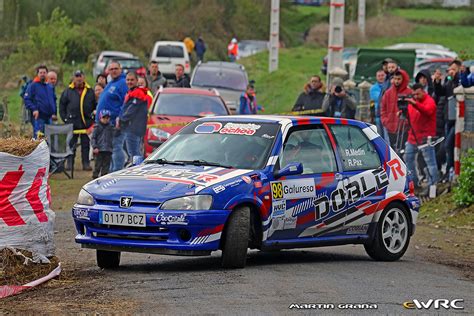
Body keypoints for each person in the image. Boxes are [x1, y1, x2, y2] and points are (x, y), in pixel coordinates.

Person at [59, 70, 96, 171]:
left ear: (84, 77)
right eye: (77, 76)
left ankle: (86, 164)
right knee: (71, 145)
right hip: (72, 123)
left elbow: (95, 105)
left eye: (80, 76)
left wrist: (92, 119)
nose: (79, 78)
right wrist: (65, 119)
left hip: (86, 123)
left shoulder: (90, 91)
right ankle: (70, 164)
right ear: (74, 78)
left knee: (85, 145)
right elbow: (62, 106)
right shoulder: (67, 91)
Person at [404, 83, 438, 192]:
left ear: (423, 91)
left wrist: (415, 104)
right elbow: (410, 117)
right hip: (413, 136)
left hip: (425, 137)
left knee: (430, 162)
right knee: (407, 159)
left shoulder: (429, 101)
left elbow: (427, 111)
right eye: (414, 94)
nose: (416, 96)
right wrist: (401, 113)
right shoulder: (413, 102)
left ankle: (433, 187)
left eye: (418, 94)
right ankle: (414, 183)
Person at [95, 61, 128, 171]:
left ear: (120, 69)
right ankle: (110, 171)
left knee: (116, 147)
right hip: (105, 124)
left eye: (115, 68)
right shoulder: (111, 82)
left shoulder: (123, 83)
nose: (113, 71)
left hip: (115, 123)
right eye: (111, 69)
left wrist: (120, 118)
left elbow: (126, 103)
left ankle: (117, 171)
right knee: (109, 149)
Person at [117, 72, 151, 163]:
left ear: (136, 81)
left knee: (134, 153)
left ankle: (139, 171)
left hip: (134, 128)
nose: (129, 82)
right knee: (132, 151)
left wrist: (120, 120)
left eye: (132, 80)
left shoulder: (138, 93)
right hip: (132, 128)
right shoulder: (132, 92)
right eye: (128, 80)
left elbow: (130, 111)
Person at [381, 69, 412, 149]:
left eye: (399, 79)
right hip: (390, 126)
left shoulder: (409, 92)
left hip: (404, 127)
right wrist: (385, 121)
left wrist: (408, 122)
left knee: (402, 149)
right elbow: (383, 108)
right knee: (393, 150)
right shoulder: (388, 93)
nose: (396, 81)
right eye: (395, 78)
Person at [23, 65, 57, 138]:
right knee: (39, 139)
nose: (42, 74)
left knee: (50, 139)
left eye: (44, 72)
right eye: (40, 72)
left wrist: (54, 112)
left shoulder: (50, 87)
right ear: (38, 74)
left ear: (47, 74)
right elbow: (27, 99)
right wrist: (34, 109)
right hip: (38, 118)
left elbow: (53, 100)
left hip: (49, 118)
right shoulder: (33, 85)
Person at [91, 109, 114, 179]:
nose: (106, 119)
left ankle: (104, 179)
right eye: (104, 118)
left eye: (107, 118)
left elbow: (115, 136)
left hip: (108, 150)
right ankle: (95, 178)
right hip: (99, 150)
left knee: (106, 166)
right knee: (97, 166)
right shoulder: (97, 127)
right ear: (100, 118)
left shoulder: (111, 127)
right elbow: (93, 138)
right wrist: (95, 147)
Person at [369, 69, 386, 136]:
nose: (381, 77)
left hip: (387, 114)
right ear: (376, 77)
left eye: (382, 75)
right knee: (380, 135)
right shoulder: (373, 88)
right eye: (379, 76)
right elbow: (380, 98)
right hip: (378, 115)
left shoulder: (388, 86)